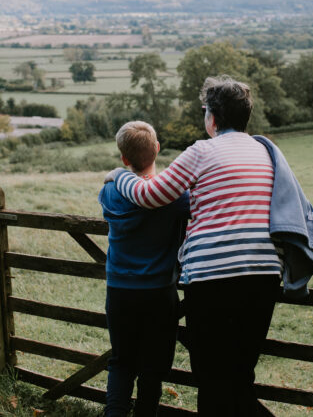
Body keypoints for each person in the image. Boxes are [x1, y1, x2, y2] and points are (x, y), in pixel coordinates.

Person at [107, 77, 283, 416]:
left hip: (213, 279)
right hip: (263, 275)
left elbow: (149, 194)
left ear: (212, 118)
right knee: (239, 376)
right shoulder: (265, 150)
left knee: (211, 376)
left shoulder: (202, 150)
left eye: (205, 112)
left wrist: (118, 175)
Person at [98, 121, 190, 417]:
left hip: (120, 290)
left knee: (121, 362)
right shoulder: (173, 198)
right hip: (159, 293)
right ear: (157, 149)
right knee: (153, 368)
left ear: (124, 158)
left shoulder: (110, 191)